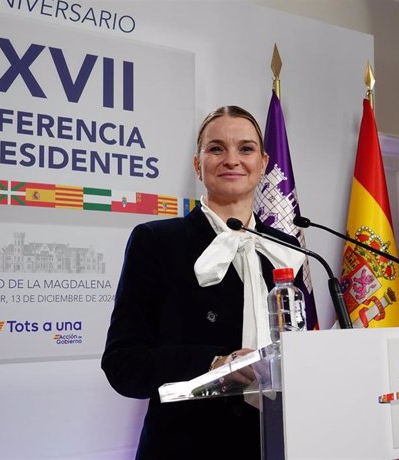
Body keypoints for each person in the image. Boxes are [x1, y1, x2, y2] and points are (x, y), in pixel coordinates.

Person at [101, 106, 305, 460]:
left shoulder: (285, 249)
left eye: (245, 148)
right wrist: (215, 364)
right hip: (187, 445)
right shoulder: (156, 241)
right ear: (198, 165)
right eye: (216, 148)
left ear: (263, 163)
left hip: (280, 443)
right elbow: (124, 365)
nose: (231, 160)